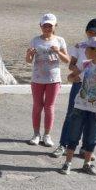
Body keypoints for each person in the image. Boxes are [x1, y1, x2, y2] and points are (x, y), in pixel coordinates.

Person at [53, 18, 96, 158]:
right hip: (79, 85)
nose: (93, 34)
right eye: (90, 31)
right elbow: (72, 65)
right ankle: (63, 145)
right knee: (72, 115)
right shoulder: (80, 46)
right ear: (86, 32)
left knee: (92, 118)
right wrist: (75, 74)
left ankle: (85, 149)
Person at [58, 36, 96, 176]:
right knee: (73, 136)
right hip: (80, 106)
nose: (84, 50)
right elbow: (70, 77)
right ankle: (67, 163)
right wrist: (75, 78)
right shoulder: (86, 63)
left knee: (92, 138)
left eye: (87, 48)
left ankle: (87, 164)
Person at [26, 13, 70, 146]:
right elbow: (28, 61)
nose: (47, 28)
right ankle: (35, 134)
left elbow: (67, 60)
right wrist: (30, 54)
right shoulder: (35, 40)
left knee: (49, 107)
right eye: (45, 25)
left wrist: (58, 52)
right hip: (37, 78)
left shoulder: (60, 40)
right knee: (37, 106)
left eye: (50, 25)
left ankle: (47, 135)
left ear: (55, 26)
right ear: (40, 26)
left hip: (53, 79)